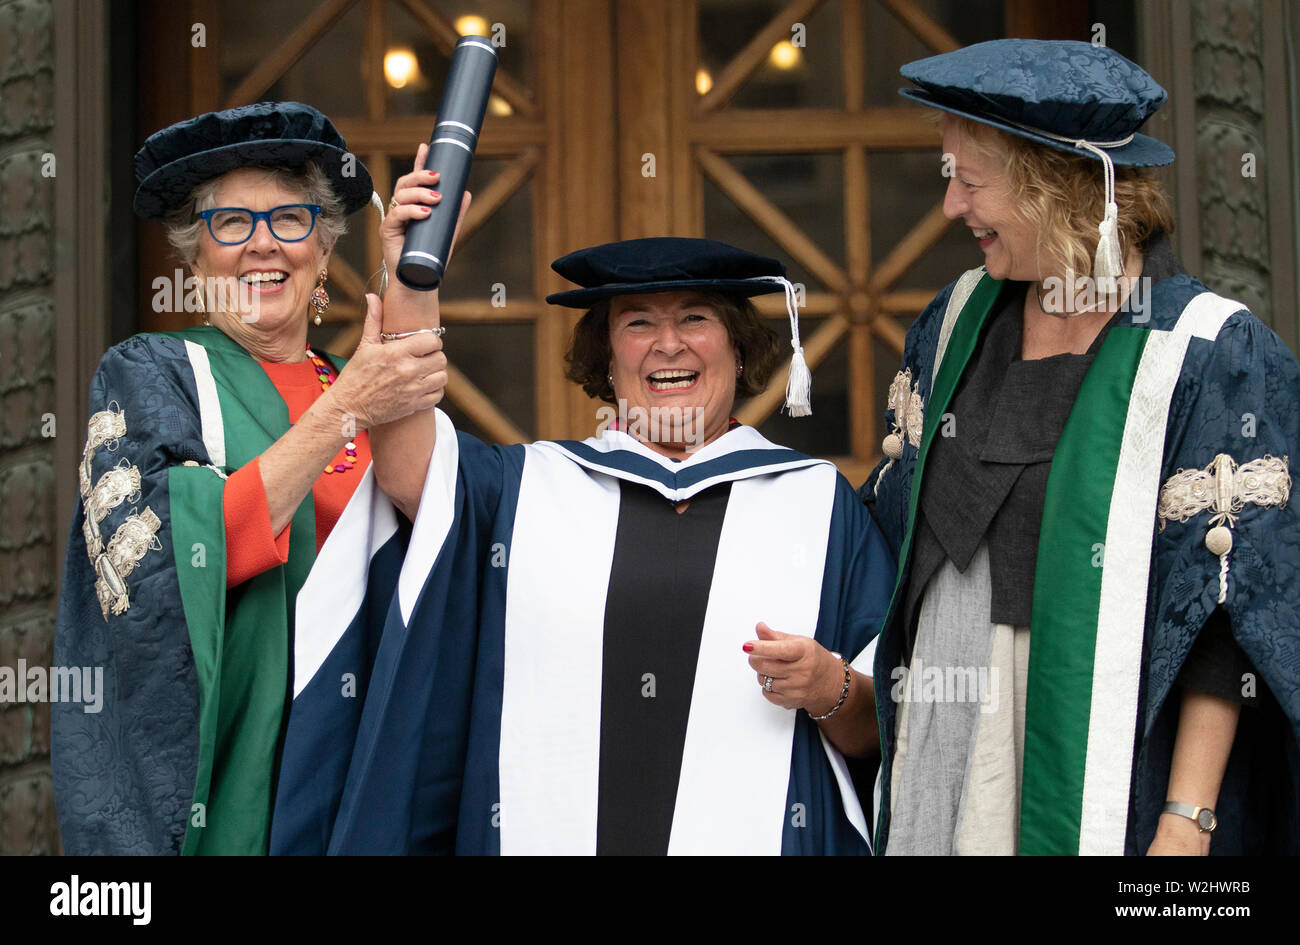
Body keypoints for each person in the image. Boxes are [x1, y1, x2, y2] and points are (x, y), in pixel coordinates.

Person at [270, 237, 895, 855]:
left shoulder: (815, 504)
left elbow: (880, 729)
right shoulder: (528, 487)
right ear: (607, 358)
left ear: (738, 351)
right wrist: (416, 273)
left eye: (696, 319)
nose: (668, 343)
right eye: (638, 322)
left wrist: (827, 687)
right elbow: (410, 474)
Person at [864, 39, 1299, 856]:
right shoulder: (955, 323)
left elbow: (1228, 612)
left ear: (1057, 189)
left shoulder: (1207, 355)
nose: (952, 207)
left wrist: (1187, 819)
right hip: (947, 746)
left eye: (971, 181)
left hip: (1115, 772)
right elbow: (895, 549)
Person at [53, 101, 454, 854]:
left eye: (292, 220)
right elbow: (180, 558)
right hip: (240, 790)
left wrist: (410, 273)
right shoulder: (155, 374)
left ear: (325, 248)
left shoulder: (357, 385)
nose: (262, 243)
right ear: (194, 258)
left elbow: (435, 522)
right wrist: (346, 409)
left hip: (367, 780)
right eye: (230, 223)